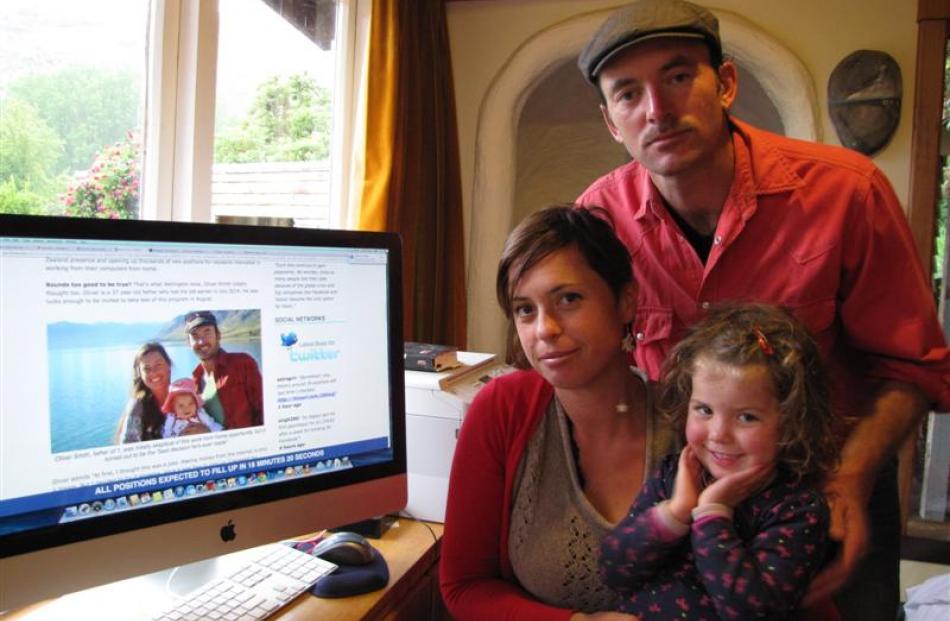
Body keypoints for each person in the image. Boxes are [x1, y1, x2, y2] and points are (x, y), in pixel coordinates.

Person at [574, 2, 950, 618]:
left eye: (677, 77)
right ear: (612, 121)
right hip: (692, 483)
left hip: (835, 481)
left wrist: (850, 479)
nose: (657, 111)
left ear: (724, 84)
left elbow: (913, 367)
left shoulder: (846, 193)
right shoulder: (598, 222)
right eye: (627, 94)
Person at [440, 205, 676, 620]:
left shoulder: (693, 421)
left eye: (568, 299)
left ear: (625, 302)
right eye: (525, 309)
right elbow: (464, 586)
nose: (544, 329)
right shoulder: (502, 409)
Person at [601, 303, 839, 620]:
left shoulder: (796, 509)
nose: (719, 434)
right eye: (704, 410)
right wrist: (675, 513)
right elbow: (613, 569)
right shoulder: (674, 476)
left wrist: (713, 514)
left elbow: (751, 611)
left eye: (746, 417)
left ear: (792, 420)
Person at [185, 311, 263, 430]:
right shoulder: (195, 378)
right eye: (195, 335)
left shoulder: (242, 364)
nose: (201, 341)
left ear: (218, 335)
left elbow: (263, 410)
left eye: (207, 332)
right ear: (189, 343)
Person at [117, 342, 173, 443]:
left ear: (168, 366)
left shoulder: (184, 396)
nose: (153, 372)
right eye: (146, 368)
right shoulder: (137, 407)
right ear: (140, 374)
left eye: (158, 365)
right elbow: (128, 452)